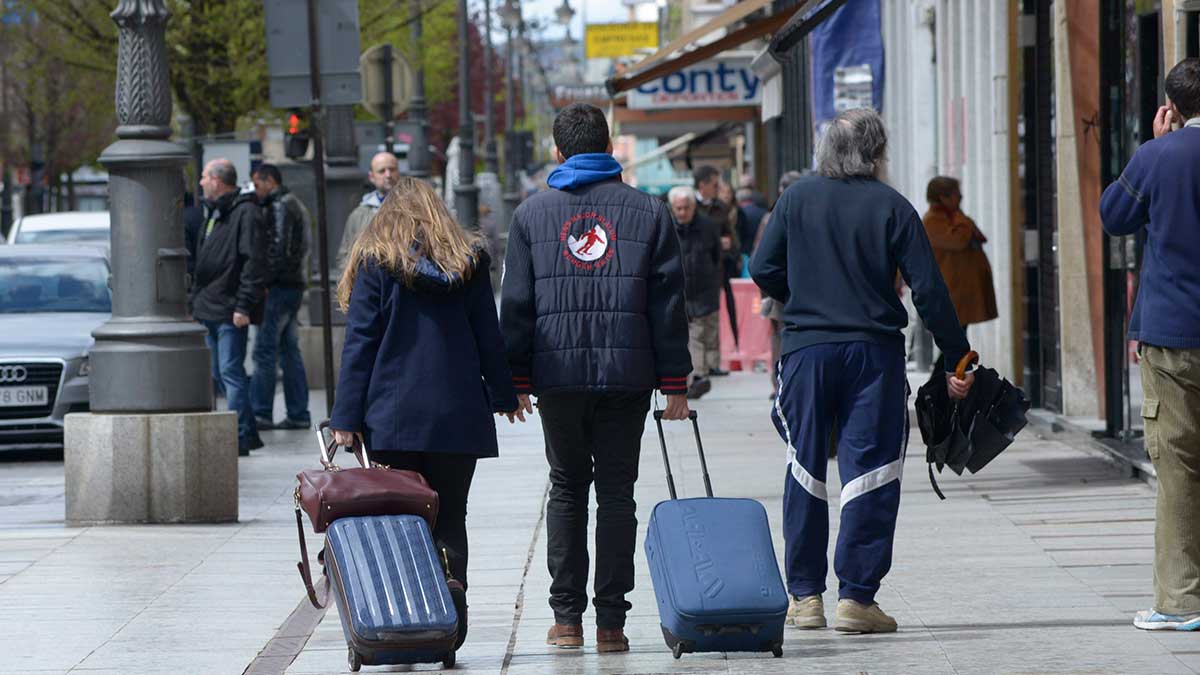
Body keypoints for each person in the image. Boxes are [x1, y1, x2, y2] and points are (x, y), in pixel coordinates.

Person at [750, 108, 974, 634]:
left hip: (806, 350)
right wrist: (956, 355)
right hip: (872, 353)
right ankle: (856, 598)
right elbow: (930, 290)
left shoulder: (797, 198)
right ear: (876, 155)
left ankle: (805, 598)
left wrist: (800, 295)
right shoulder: (892, 206)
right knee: (872, 466)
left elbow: (761, 267)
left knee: (804, 465)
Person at [500, 103, 692, 653]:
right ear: (609, 149)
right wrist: (674, 381)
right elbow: (668, 305)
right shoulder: (649, 212)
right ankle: (612, 624)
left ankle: (566, 620)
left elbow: (516, 305)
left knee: (565, 488)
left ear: (558, 153)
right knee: (616, 493)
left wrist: (514, 378)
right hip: (627, 376)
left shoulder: (532, 215)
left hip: (556, 377)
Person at [329, 177, 520, 646]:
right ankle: (452, 598)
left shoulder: (376, 262)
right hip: (457, 416)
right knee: (451, 515)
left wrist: (345, 420)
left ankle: (407, 619)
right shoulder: (469, 263)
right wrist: (504, 395)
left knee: (402, 519)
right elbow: (487, 336)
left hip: (393, 421)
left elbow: (361, 346)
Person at [1100, 57, 1200, 632]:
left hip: (1170, 334)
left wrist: (1153, 146)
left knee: (1179, 465)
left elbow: (1114, 215)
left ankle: (1182, 601)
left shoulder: (1157, 157)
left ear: (1173, 107)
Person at [191, 159, 267, 455]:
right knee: (222, 374)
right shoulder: (217, 211)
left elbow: (253, 263)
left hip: (229, 308)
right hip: (209, 305)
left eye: (204, 177)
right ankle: (245, 432)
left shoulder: (245, 212)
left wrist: (243, 305)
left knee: (230, 371)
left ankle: (239, 435)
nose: (200, 182)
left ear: (218, 181)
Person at [249, 164, 312, 431]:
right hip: (292, 285)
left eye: (257, 183)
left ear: (270, 181)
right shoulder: (292, 203)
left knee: (265, 350)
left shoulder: (281, 206)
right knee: (289, 350)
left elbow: (279, 249)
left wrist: (265, 282)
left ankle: (261, 412)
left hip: (279, 287)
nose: (255, 189)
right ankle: (298, 413)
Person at [922, 176, 998, 337]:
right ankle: (949, 364)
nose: (961, 197)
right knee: (954, 342)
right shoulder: (933, 221)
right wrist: (962, 220)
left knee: (958, 339)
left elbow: (977, 235)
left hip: (962, 290)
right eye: (957, 193)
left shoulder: (952, 216)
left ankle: (955, 364)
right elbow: (959, 240)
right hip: (952, 293)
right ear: (943, 198)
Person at [754, 170, 805, 398]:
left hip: (783, 289)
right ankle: (782, 383)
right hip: (786, 290)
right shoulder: (778, 216)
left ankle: (783, 383)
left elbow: (760, 261)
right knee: (782, 336)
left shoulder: (775, 215)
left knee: (782, 337)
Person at [668, 187, 721, 400]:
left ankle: (698, 377)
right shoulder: (667, 227)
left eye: (686, 208)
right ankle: (694, 377)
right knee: (684, 337)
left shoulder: (707, 226)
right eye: (678, 208)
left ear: (694, 207)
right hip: (677, 292)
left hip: (702, 292)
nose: (682, 212)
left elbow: (716, 257)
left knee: (698, 335)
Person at [692, 166, 738, 376]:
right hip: (693, 271)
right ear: (702, 186)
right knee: (696, 322)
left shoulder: (721, 208)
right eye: (714, 185)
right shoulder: (689, 207)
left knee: (712, 318)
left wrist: (728, 245)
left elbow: (732, 238)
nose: (717, 189)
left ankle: (712, 363)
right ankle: (697, 366)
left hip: (715, 270)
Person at [335, 151, 400, 278]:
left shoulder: (413, 208)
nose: (388, 175)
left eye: (392, 169)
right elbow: (344, 255)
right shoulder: (359, 214)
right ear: (372, 177)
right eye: (382, 171)